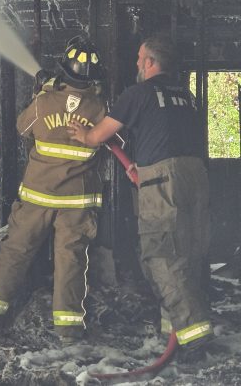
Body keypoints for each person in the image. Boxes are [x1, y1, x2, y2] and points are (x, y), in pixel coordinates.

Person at [68, 33, 213, 361]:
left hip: (164, 182)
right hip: (196, 177)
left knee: (160, 255)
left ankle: (194, 333)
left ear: (150, 62)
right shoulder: (186, 95)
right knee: (187, 252)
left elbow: (98, 136)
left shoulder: (139, 93)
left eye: (139, 57)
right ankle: (173, 331)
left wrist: (84, 134)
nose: (136, 62)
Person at [0, 36, 106, 342]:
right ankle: (69, 330)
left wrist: (42, 94)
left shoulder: (44, 102)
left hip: (38, 196)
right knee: (71, 260)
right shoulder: (100, 108)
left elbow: (22, 128)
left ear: (63, 70)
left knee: (16, 251)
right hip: (77, 200)